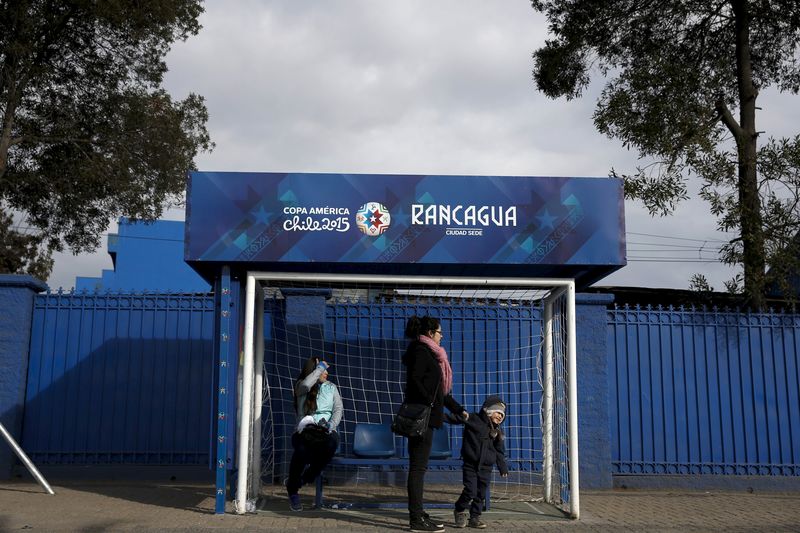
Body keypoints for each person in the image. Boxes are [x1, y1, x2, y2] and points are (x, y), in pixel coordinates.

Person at [402, 315, 468, 533]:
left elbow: (439, 391)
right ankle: (416, 519)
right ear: (430, 333)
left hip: (428, 416)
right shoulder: (421, 352)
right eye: (440, 332)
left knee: (419, 467)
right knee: (418, 468)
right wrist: (430, 402)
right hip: (422, 417)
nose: (442, 336)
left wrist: (458, 409)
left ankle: (418, 513)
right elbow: (415, 381)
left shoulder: (429, 353)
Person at [286, 356, 342, 511]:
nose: (326, 373)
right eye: (322, 370)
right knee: (301, 451)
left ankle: (304, 479)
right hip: (305, 430)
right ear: (314, 370)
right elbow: (305, 384)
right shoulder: (301, 386)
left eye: (324, 370)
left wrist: (331, 424)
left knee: (331, 444)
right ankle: (293, 491)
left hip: (325, 431)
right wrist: (320, 367)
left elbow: (338, 409)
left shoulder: (331, 387)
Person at [448, 395, 509, 529]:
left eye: (502, 415)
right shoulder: (474, 419)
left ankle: (474, 517)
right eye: (498, 412)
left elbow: (499, 451)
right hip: (471, 465)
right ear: (488, 410)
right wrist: (440, 417)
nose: (500, 416)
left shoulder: (497, 432)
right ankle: (459, 510)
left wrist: (502, 467)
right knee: (470, 490)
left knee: (481, 493)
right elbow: (457, 418)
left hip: (486, 468)